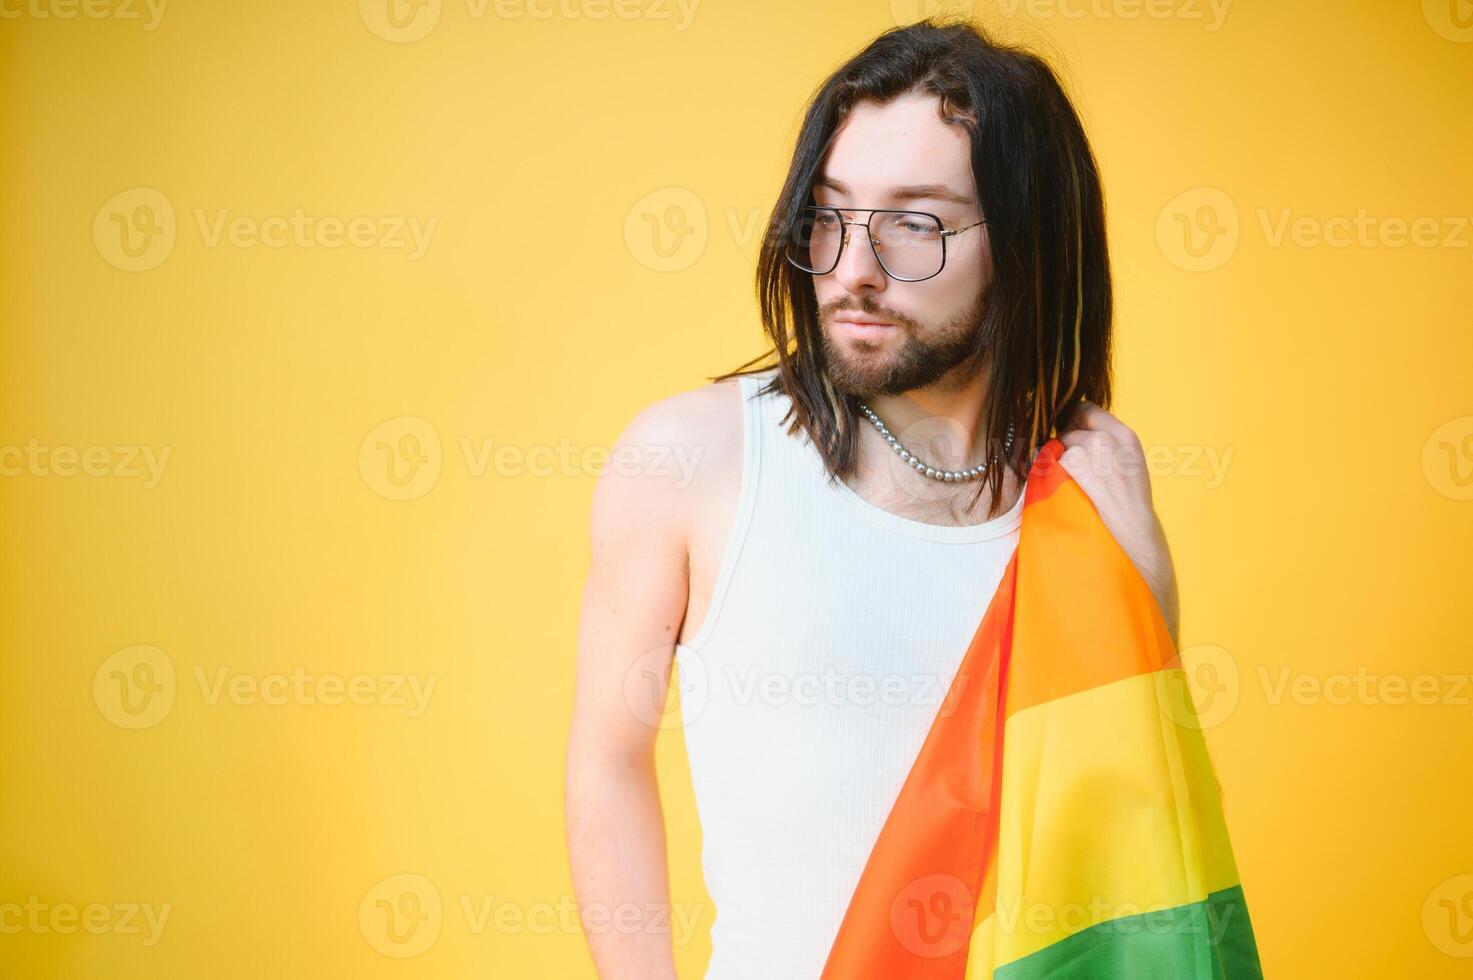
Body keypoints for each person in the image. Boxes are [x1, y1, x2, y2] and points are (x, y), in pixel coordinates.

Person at [565, 18, 1180, 979]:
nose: (853, 270)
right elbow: (606, 760)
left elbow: (1124, 840)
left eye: (915, 223)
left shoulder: (1089, 501)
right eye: (832, 214)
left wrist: (1142, 583)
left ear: (1024, 244)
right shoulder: (696, 459)